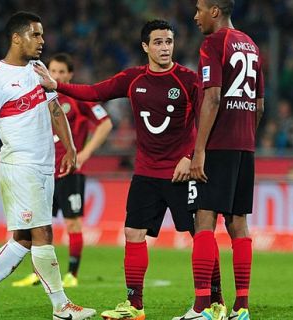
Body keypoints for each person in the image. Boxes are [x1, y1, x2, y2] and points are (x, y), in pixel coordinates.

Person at [36, 19, 200, 320]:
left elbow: (207, 124)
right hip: (147, 172)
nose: (165, 47)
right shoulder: (133, 78)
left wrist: (191, 156)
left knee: (199, 235)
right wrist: (57, 85)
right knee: (133, 232)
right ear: (145, 47)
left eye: (169, 41)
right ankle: (134, 306)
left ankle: (210, 302)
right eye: (158, 42)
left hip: (181, 172)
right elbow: (94, 91)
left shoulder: (188, 80)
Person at [0, 12, 96, 320]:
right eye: (36, 35)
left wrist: (71, 148)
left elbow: (55, 110)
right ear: (16, 38)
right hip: (20, 165)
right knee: (43, 232)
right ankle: (61, 306)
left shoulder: (39, 69)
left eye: (43, 35)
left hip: (45, 164)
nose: (42, 41)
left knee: (22, 239)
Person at [174, 1, 264, 320]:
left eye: (199, 9)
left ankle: (203, 308)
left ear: (215, 11)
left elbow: (211, 97)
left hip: (217, 146)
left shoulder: (214, 43)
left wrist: (199, 150)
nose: (195, 16)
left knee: (203, 221)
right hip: (245, 145)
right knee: (238, 223)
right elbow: (259, 104)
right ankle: (241, 308)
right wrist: (245, 136)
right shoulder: (250, 44)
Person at [11, 53, 113, 288]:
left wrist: (84, 155)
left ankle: (72, 275)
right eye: (52, 71)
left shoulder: (78, 97)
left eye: (60, 72)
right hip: (42, 171)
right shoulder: (37, 97)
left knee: (72, 223)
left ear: (69, 75)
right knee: (38, 225)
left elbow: (105, 123)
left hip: (69, 172)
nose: (55, 75)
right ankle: (39, 273)